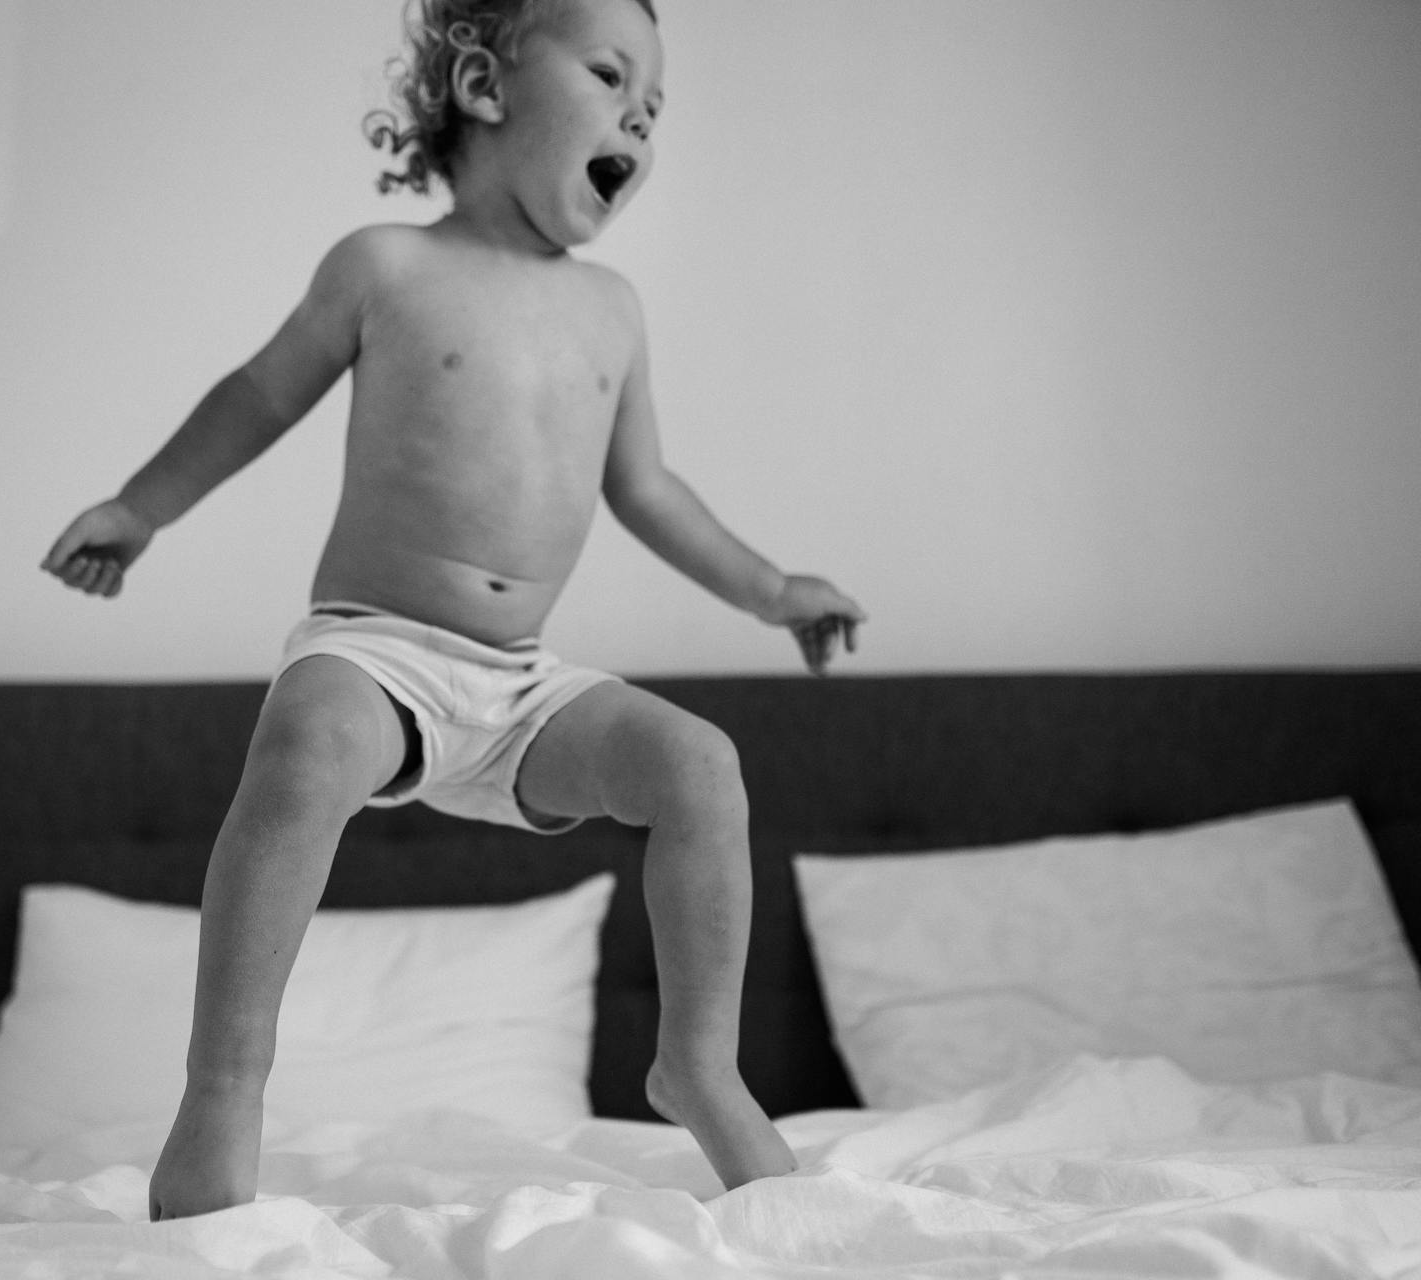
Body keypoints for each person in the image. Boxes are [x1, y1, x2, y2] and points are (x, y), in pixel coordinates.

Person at [42, 0, 865, 1221]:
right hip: (378, 651)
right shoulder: (386, 266)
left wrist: (772, 589)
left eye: (657, 105)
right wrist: (139, 507)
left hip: (525, 689)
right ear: (484, 85)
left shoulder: (614, 310)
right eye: (609, 74)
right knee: (309, 736)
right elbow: (258, 395)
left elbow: (647, 489)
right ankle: (224, 1087)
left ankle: (696, 1063)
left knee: (702, 764)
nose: (640, 113)